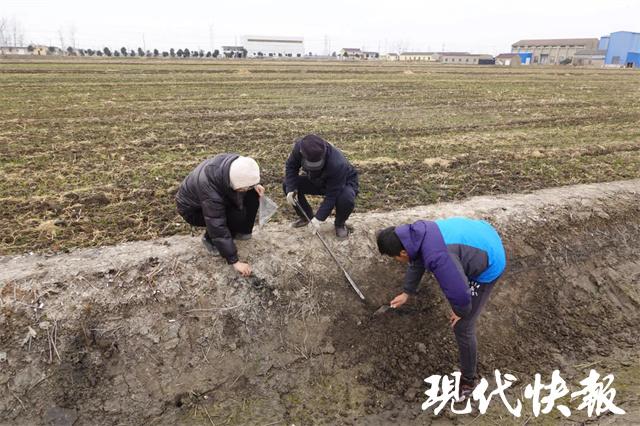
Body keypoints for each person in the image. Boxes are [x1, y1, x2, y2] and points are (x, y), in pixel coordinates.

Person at [376, 217, 506, 401]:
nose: (397, 260)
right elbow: (417, 259)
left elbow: (461, 294)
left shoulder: (438, 257)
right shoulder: (417, 234)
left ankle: (468, 381)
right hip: (480, 235)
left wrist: (460, 312)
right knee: (455, 283)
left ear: (403, 252)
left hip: (491, 258)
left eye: (395, 257)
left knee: (462, 326)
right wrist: (407, 292)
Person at [176, 154, 265, 277]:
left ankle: (242, 231)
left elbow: (244, 177)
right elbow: (216, 222)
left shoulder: (235, 164)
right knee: (234, 215)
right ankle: (209, 240)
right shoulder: (208, 186)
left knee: (252, 194)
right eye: (241, 188)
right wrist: (234, 261)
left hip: (212, 199)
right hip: (193, 210)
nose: (243, 190)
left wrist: (253, 185)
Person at [283, 134, 358, 239]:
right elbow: (291, 167)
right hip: (315, 179)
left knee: (346, 198)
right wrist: (291, 189)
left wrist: (319, 218)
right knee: (287, 184)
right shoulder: (299, 148)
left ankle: (340, 224)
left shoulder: (338, 163)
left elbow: (332, 195)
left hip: (342, 182)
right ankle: (306, 217)